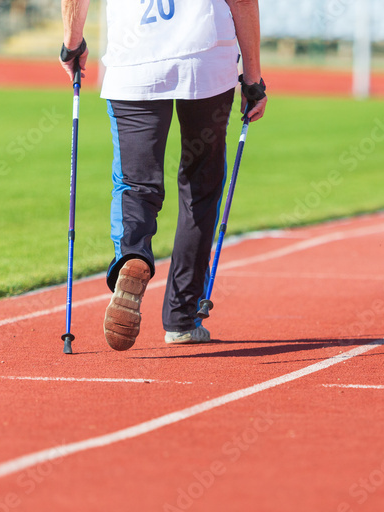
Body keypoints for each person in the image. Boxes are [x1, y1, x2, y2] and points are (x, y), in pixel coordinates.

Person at [60, 0, 267, 351]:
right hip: (206, 59)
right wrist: (252, 77)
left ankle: (133, 255)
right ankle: (182, 317)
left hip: (134, 58)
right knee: (200, 188)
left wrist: (72, 42)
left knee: (136, 183)